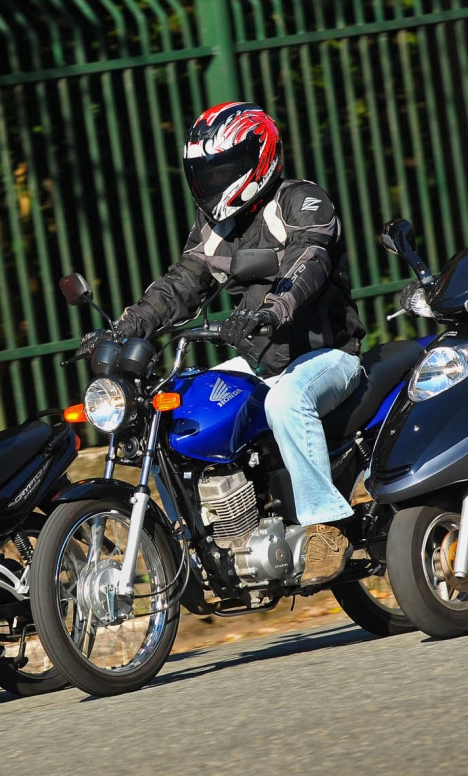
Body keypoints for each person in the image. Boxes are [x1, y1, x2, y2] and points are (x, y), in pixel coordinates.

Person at [80, 101, 367, 583]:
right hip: (259, 362)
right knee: (177, 407)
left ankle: (325, 525)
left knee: (286, 401)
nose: (214, 182)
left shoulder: (301, 200)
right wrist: (122, 329)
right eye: (205, 172)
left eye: (225, 169)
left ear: (260, 157)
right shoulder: (218, 226)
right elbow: (183, 283)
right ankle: (202, 538)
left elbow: (309, 260)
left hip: (326, 356)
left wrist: (271, 309)